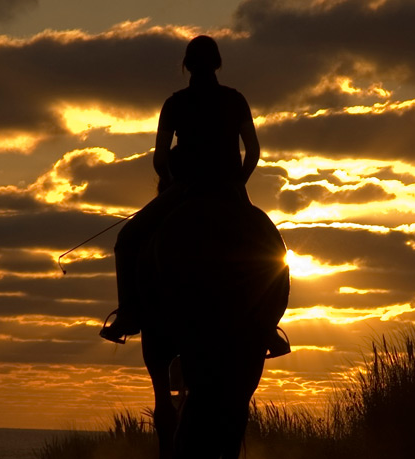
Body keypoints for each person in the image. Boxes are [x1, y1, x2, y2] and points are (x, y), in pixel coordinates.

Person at [100, 35, 290, 358]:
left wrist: (174, 183)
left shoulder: (174, 104)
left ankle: (128, 315)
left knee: (127, 239)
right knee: (275, 251)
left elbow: (160, 158)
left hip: (184, 190)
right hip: (230, 189)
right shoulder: (236, 100)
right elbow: (253, 151)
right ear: (218, 64)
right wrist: (237, 182)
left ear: (186, 67)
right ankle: (268, 326)